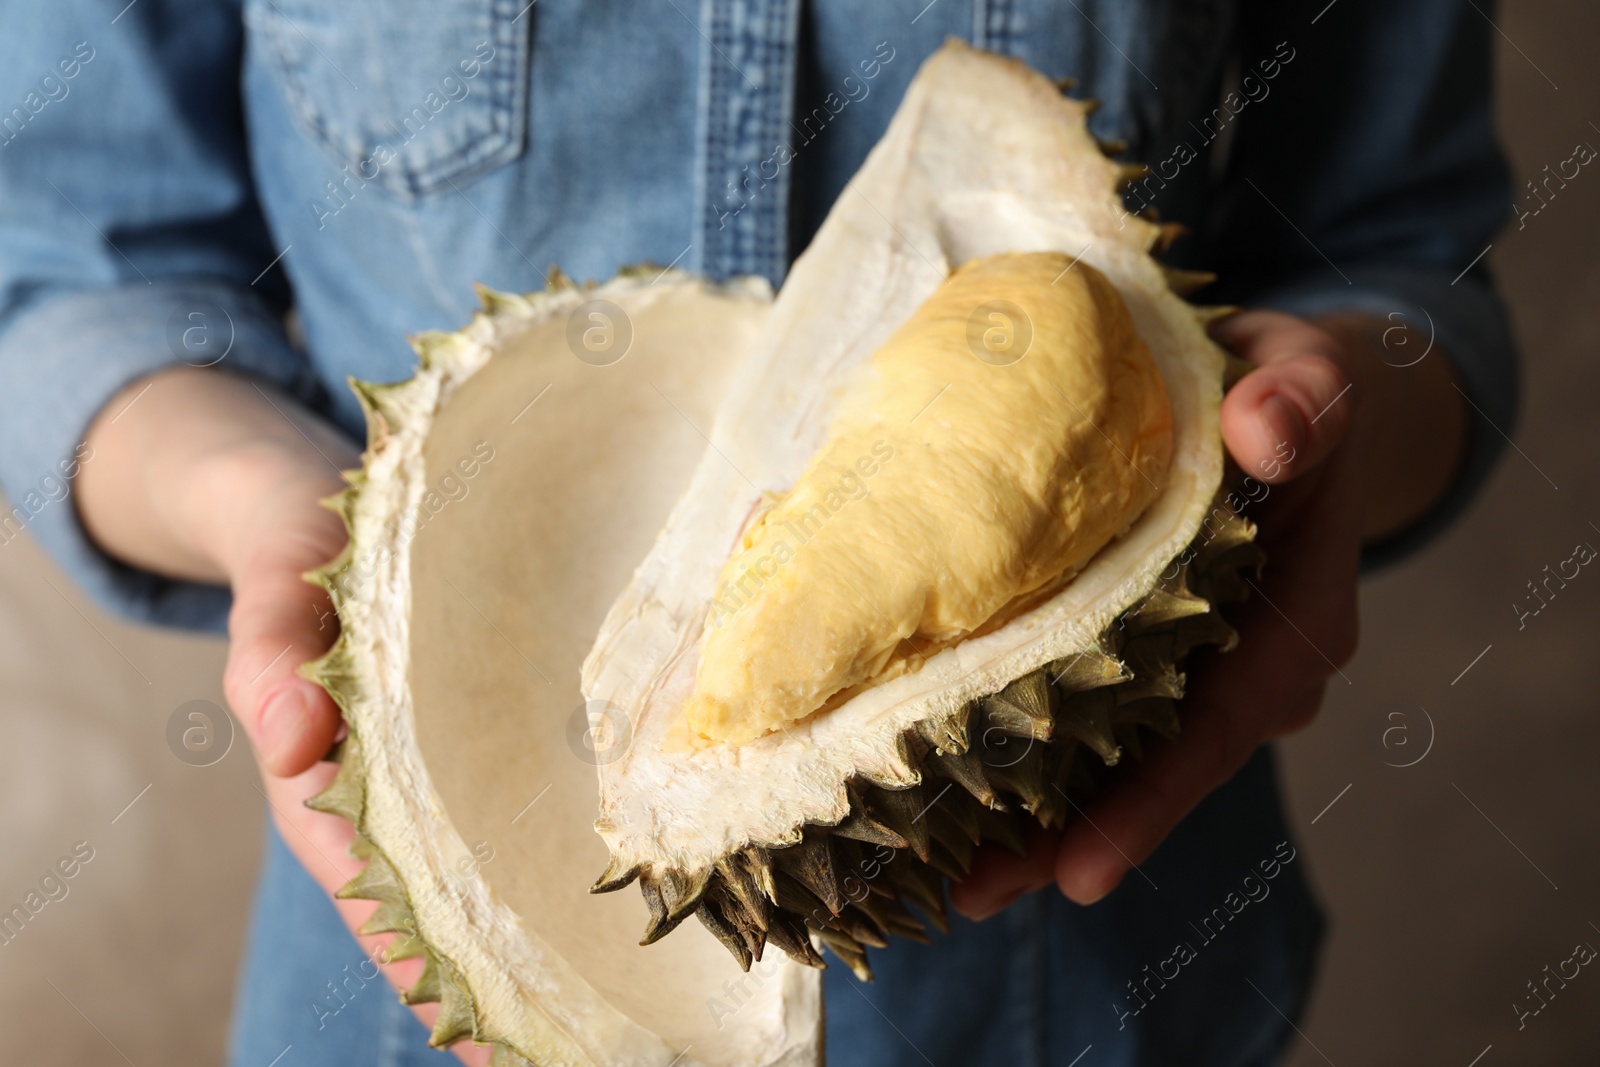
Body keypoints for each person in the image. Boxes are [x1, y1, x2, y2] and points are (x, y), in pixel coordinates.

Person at [0, 2, 1514, 1064]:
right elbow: (69, 263)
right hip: (407, 995)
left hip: (1101, 1001)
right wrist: (264, 503)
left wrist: (1330, 427)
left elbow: (1404, 251)